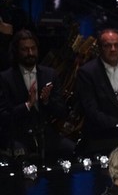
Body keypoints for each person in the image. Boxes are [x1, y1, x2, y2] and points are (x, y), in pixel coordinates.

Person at [0, 29, 74, 162]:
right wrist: (27, 105)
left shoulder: (49, 74)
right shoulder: (5, 78)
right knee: (22, 157)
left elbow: (62, 111)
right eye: (25, 49)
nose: (30, 53)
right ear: (16, 51)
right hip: (18, 136)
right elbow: (4, 116)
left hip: (46, 134)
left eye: (33, 48)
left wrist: (46, 101)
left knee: (72, 150)